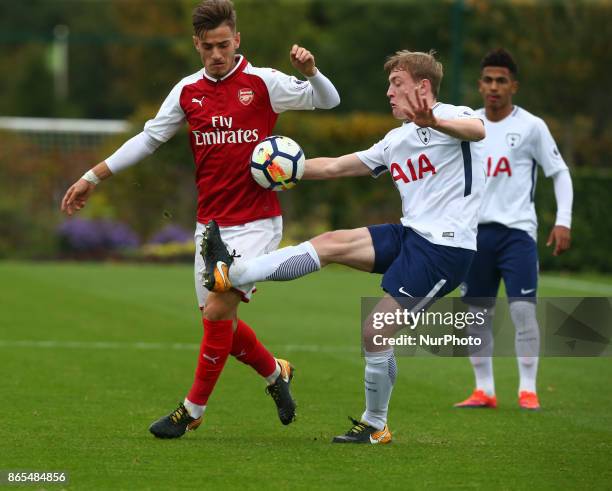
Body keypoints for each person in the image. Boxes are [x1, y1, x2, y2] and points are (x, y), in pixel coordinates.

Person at [60, 0, 340, 439]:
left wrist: (312, 72)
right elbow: (150, 138)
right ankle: (276, 373)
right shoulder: (187, 90)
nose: (216, 54)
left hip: (257, 221)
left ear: (237, 40)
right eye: (208, 46)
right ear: (197, 44)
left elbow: (329, 100)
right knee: (220, 324)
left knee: (216, 310)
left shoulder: (263, 83)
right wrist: (93, 175)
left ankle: (191, 411)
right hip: (210, 225)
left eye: (224, 45)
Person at [202, 49, 486, 444]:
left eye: (397, 84)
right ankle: (229, 272)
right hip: (412, 235)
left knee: (376, 330)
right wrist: (281, 168)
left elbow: (478, 132)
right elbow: (335, 166)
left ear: (423, 87)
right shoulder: (395, 140)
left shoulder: (458, 115)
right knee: (331, 241)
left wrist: (434, 119)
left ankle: (375, 424)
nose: (388, 92)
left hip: (446, 251)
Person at [454, 48, 573, 411]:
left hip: (517, 233)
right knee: (476, 314)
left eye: (501, 81)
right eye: (488, 80)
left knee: (522, 311)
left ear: (513, 86)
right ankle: (484, 390)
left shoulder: (531, 126)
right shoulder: (468, 124)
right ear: (479, 85)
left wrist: (563, 219)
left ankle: (527, 390)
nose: (494, 87)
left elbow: (559, 172)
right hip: (474, 235)